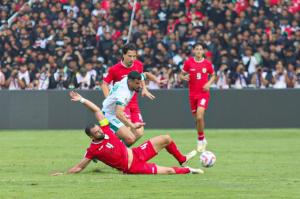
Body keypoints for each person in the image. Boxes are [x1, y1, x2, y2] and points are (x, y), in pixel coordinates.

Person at [52, 91, 201, 175]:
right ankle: (189, 170)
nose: (100, 132)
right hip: (132, 167)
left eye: (99, 129)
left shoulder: (105, 129)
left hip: (136, 153)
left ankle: (182, 159)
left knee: (166, 138)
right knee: (168, 171)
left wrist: (82, 99)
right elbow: (79, 167)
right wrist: (64, 174)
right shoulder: (93, 150)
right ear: (91, 137)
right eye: (97, 133)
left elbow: (97, 110)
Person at [101, 43, 163, 143]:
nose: (132, 59)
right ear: (123, 55)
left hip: (134, 103)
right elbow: (104, 84)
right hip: (122, 104)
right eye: (130, 56)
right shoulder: (114, 69)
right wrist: (109, 98)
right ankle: (112, 150)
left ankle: (119, 152)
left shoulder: (139, 65)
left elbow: (142, 77)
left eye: (134, 56)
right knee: (127, 131)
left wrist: (144, 89)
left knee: (139, 133)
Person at [180, 43, 216, 152]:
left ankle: (200, 140)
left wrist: (208, 83)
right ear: (193, 51)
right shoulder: (188, 62)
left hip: (203, 93)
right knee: (197, 120)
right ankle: (202, 137)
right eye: (197, 49)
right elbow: (181, 75)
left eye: (201, 49)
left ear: (203, 51)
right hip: (192, 95)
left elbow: (214, 75)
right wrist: (183, 77)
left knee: (200, 116)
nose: (199, 51)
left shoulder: (207, 63)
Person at [102, 71, 145, 146]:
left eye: (140, 82)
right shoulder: (123, 93)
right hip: (109, 114)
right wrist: (132, 125)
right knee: (130, 138)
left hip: (115, 111)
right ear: (130, 82)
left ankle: (116, 152)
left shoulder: (129, 79)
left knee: (132, 135)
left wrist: (146, 88)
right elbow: (119, 114)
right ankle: (99, 149)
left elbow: (146, 74)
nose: (140, 86)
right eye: (137, 83)